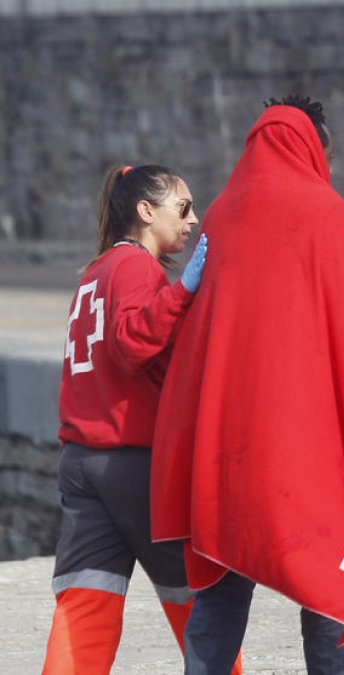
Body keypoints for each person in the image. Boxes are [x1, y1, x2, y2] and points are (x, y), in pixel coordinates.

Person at [150, 96, 344, 675]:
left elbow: (204, 339)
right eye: (324, 155)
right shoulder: (321, 209)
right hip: (306, 444)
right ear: (310, 148)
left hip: (229, 446)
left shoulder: (224, 213)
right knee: (328, 580)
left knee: (224, 585)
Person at [42, 164, 226, 673]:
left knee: (84, 603)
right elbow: (132, 342)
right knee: (197, 596)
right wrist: (184, 291)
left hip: (81, 461)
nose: (193, 221)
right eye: (183, 209)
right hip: (133, 462)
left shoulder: (95, 271)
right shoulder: (138, 268)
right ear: (146, 212)